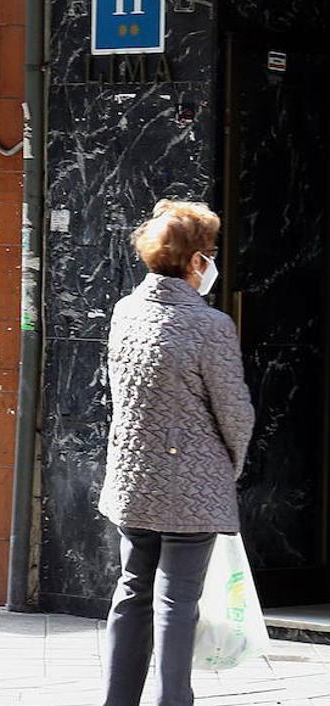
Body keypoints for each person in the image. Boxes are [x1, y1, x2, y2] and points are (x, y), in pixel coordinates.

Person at [99, 199, 255, 706]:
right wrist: (227, 468)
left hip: (134, 479)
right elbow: (235, 412)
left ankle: (117, 700)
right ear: (193, 262)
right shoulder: (210, 326)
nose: (211, 262)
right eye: (209, 252)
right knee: (176, 602)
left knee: (131, 592)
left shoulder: (126, 311)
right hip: (191, 488)